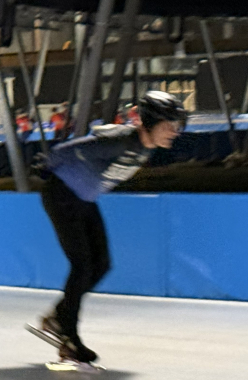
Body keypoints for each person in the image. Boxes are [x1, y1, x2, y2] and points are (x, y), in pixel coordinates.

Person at [34, 90, 186, 364]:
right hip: (62, 195)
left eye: (177, 126)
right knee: (82, 265)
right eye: (169, 125)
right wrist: (47, 163)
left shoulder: (144, 145)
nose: (174, 132)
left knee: (102, 264)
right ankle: (68, 334)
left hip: (83, 198)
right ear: (151, 122)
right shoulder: (121, 140)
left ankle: (59, 317)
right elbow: (69, 148)